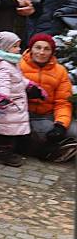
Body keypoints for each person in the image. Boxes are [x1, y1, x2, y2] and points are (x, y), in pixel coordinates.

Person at [0, 31, 45, 167]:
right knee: (4, 131)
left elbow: (17, 79)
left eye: (19, 46)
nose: (19, 49)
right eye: (15, 46)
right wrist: (3, 96)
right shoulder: (2, 65)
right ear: (4, 47)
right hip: (7, 104)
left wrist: (30, 86)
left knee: (9, 128)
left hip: (14, 103)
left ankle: (9, 150)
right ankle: (3, 154)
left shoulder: (10, 62)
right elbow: (3, 82)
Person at [20, 33, 77, 162]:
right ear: (30, 48)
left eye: (47, 49)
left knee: (72, 132)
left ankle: (58, 147)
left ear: (52, 52)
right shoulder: (18, 66)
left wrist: (61, 125)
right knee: (43, 133)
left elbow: (63, 102)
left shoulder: (60, 71)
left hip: (48, 113)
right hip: (24, 115)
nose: (41, 52)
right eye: (38, 47)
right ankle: (51, 152)